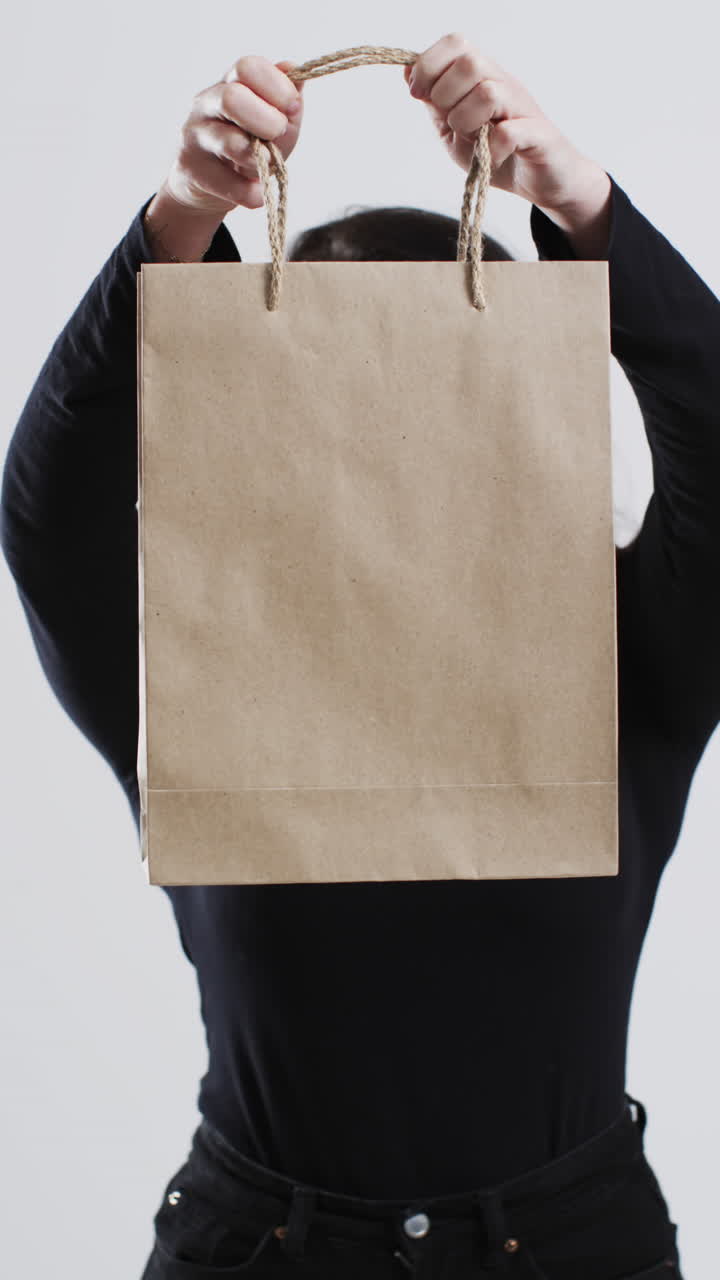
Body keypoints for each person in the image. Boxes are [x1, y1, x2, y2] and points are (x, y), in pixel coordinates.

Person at [1, 31, 717, 1280]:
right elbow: (48, 513)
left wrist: (580, 203)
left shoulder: (627, 642)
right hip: (261, 1243)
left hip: (565, 1243)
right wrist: (181, 220)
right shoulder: (209, 640)